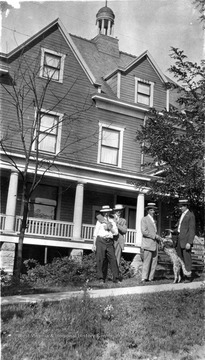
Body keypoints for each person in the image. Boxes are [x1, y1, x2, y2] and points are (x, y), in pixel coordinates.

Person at [92, 205, 120, 283]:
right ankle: (101, 278)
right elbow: (95, 233)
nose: (106, 213)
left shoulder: (112, 221)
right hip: (100, 240)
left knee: (113, 259)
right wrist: (94, 245)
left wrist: (110, 227)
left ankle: (116, 278)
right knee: (100, 259)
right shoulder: (99, 221)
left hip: (109, 241)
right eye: (105, 212)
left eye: (107, 212)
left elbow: (116, 233)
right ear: (103, 213)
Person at [174, 199, 195, 282]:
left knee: (187, 258)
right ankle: (182, 276)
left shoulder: (190, 215)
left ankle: (188, 277)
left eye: (182, 206)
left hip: (186, 241)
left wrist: (189, 242)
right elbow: (180, 228)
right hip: (179, 240)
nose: (180, 208)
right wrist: (174, 231)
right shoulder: (182, 215)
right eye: (180, 206)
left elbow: (192, 230)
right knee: (180, 258)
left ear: (186, 206)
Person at [141, 202, 161, 283]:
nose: (153, 212)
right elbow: (144, 232)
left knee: (154, 262)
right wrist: (155, 236)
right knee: (147, 261)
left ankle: (151, 278)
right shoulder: (144, 219)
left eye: (154, 210)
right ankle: (144, 278)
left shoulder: (154, 220)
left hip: (155, 244)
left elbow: (154, 231)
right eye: (152, 210)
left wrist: (157, 238)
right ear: (148, 211)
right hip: (148, 243)